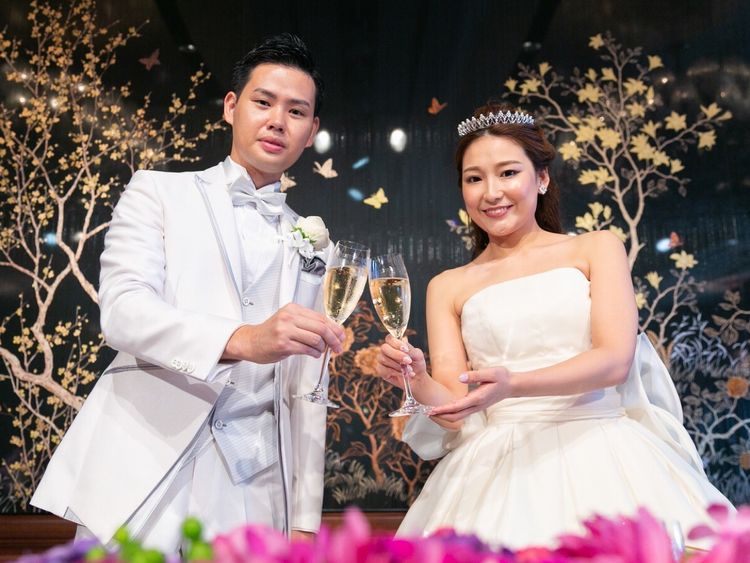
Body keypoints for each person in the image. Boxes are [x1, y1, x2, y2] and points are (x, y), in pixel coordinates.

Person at [31, 33, 345, 552]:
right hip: (145, 459)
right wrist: (244, 339)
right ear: (231, 107)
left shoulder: (318, 247)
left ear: (311, 132)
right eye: (263, 102)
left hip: (256, 484)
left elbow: (308, 387)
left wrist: (305, 518)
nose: (277, 121)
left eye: (296, 112)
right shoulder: (157, 192)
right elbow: (124, 312)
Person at [376, 102, 734, 549]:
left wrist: (513, 384)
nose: (491, 192)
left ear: (541, 178)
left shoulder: (596, 248)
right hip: (498, 469)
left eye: (508, 173)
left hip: (606, 449)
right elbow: (455, 406)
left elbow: (614, 361)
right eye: (474, 178)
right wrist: (417, 379)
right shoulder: (447, 285)